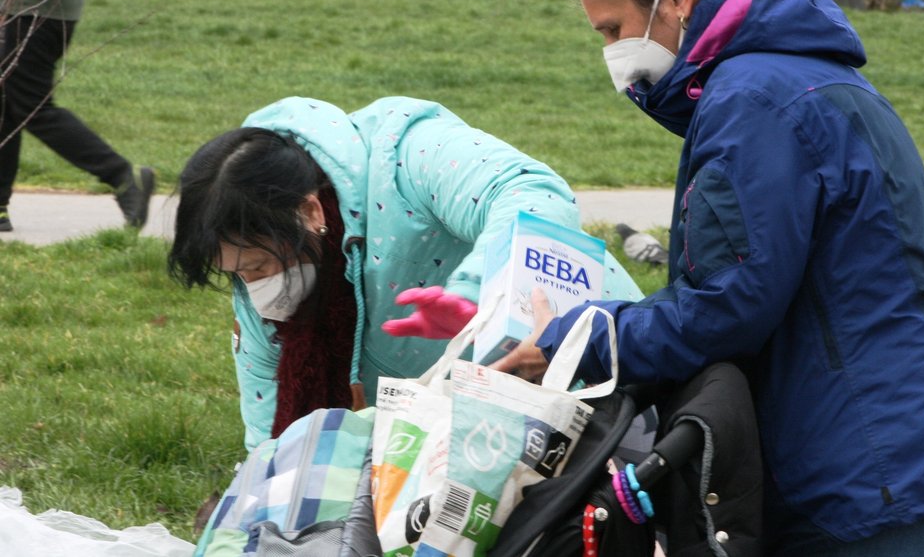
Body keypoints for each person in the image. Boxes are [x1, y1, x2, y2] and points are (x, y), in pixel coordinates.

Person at [494, 0, 924, 554]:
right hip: (909, 445)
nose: (610, 54)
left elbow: (726, 303)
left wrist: (580, 338)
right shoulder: (794, 74)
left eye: (612, 29)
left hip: (882, 476)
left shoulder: (752, 98)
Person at [167, 95, 643, 451]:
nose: (254, 290)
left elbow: (537, 196)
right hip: (473, 433)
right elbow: (271, 438)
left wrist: (478, 293)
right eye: (235, 275)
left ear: (310, 211)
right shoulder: (266, 281)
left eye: (258, 266)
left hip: (606, 376)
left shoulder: (405, 153)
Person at [0, 0, 155, 232]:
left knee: (32, 106)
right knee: (6, 99)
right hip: (49, 3)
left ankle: (122, 177)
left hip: (32, 7)